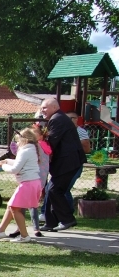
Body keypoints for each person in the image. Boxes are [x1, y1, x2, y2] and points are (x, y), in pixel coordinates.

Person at [0, 128, 42, 242]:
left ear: (24, 140)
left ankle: (24, 235)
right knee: (11, 206)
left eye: (17, 141)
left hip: (28, 183)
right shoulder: (30, 149)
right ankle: (0, 231)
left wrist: (3, 166)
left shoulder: (25, 150)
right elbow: (19, 163)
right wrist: (6, 161)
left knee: (14, 208)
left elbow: (15, 169)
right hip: (32, 183)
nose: (16, 143)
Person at [39, 98, 86, 232]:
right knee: (51, 190)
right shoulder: (58, 118)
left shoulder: (57, 119)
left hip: (68, 162)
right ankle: (51, 222)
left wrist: (37, 145)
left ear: (54, 107)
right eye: (41, 108)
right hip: (66, 162)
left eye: (45, 108)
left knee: (54, 190)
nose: (42, 110)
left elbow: (51, 143)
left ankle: (67, 219)